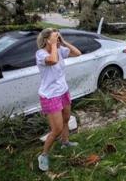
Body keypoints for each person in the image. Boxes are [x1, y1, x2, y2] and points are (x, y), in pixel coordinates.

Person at [35, 28, 82, 171]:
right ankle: (43, 155)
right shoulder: (40, 54)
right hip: (50, 96)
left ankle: (65, 141)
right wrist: (54, 45)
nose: (57, 39)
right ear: (47, 40)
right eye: (55, 37)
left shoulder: (59, 49)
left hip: (63, 91)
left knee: (66, 119)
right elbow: (53, 60)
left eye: (57, 37)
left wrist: (63, 42)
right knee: (56, 129)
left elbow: (77, 53)